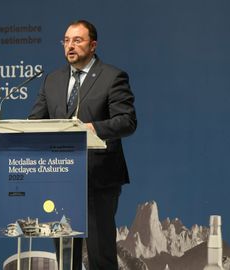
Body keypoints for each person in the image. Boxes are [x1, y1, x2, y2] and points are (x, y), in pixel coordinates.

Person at [28, 19, 137, 270]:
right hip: (60, 178)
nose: (70, 46)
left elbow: (127, 121)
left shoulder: (112, 77)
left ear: (93, 45)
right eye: (66, 41)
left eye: (77, 40)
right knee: (66, 259)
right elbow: (35, 121)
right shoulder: (52, 80)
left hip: (98, 178)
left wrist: (94, 128)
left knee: (100, 256)